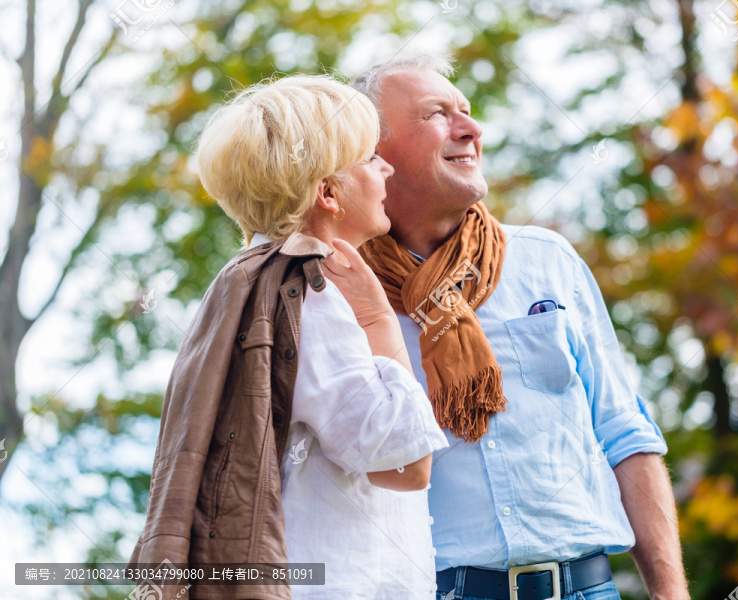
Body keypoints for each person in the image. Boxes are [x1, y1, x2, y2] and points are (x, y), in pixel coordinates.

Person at [351, 53, 691, 600]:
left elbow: (625, 432)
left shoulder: (547, 260)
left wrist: (670, 593)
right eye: (438, 114)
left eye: (466, 110)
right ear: (373, 153)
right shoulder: (342, 293)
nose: (472, 128)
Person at [195, 74, 449, 598]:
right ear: (328, 192)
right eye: (369, 158)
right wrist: (378, 319)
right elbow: (405, 462)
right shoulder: (311, 295)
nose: (387, 167)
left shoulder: (243, 283)